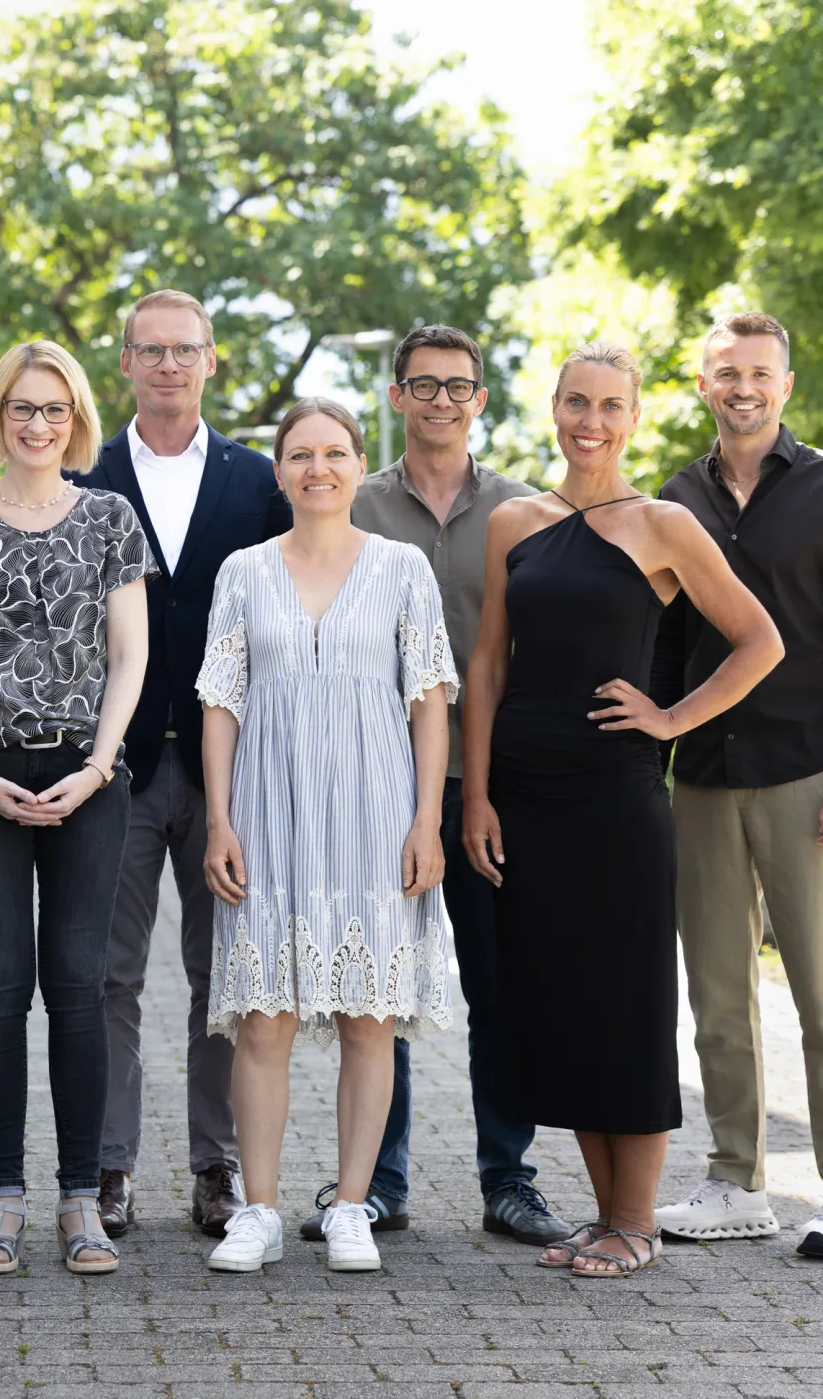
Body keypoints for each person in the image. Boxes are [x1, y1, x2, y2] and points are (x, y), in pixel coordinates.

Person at [463, 341, 782, 1277]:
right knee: (558, 1005)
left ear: (635, 417)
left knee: (626, 1004)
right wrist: (477, 794)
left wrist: (672, 718)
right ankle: (604, 1218)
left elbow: (759, 641)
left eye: (609, 405)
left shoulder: (666, 524)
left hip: (616, 801)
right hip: (523, 796)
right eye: (574, 402)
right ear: (551, 407)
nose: (589, 422)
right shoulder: (513, 521)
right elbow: (488, 664)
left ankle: (634, 1223)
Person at [311, 325, 571, 1247]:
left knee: (500, 990)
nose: (441, 401)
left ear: (481, 400)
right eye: (422, 385)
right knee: (380, 988)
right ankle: (376, 1183)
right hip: (382, 793)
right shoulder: (352, 503)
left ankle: (509, 1177)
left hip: (493, 790)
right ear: (395, 398)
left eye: (458, 386)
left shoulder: (531, 510)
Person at [0, 340, 152, 1276]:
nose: (38, 423)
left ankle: (80, 1203)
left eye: (54, 408)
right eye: (22, 406)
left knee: (80, 986)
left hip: (88, 781)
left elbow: (129, 655)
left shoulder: (109, 518)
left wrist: (96, 769)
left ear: (76, 416)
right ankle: (2, 1199)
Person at [198, 397, 455, 1276]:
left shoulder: (403, 568)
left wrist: (428, 820)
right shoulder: (243, 572)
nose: (319, 468)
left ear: (356, 465)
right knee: (264, 1021)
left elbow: (429, 704)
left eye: (335, 453)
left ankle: (352, 1207)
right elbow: (222, 704)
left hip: (376, 818)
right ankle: (258, 1211)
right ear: (279, 472)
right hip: (266, 814)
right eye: (301, 455)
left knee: (366, 1018)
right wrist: (220, 819)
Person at [72, 289, 291, 1241]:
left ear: (212, 361)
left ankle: (217, 1168)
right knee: (109, 975)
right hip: (113, 766)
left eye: (184, 350)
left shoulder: (258, 481)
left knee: (225, 976)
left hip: (227, 768)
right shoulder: (81, 475)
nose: (167, 365)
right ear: (124, 363)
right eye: (149, 350)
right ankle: (109, 1167)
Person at [650, 313, 823, 1259]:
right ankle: (734, 1183)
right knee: (717, 994)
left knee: (821, 993)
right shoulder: (676, 499)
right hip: (706, 776)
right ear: (705, 383)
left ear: (785, 385)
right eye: (726, 372)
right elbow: (668, 647)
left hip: (809, 772)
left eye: (759, 372)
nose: (743, 387)